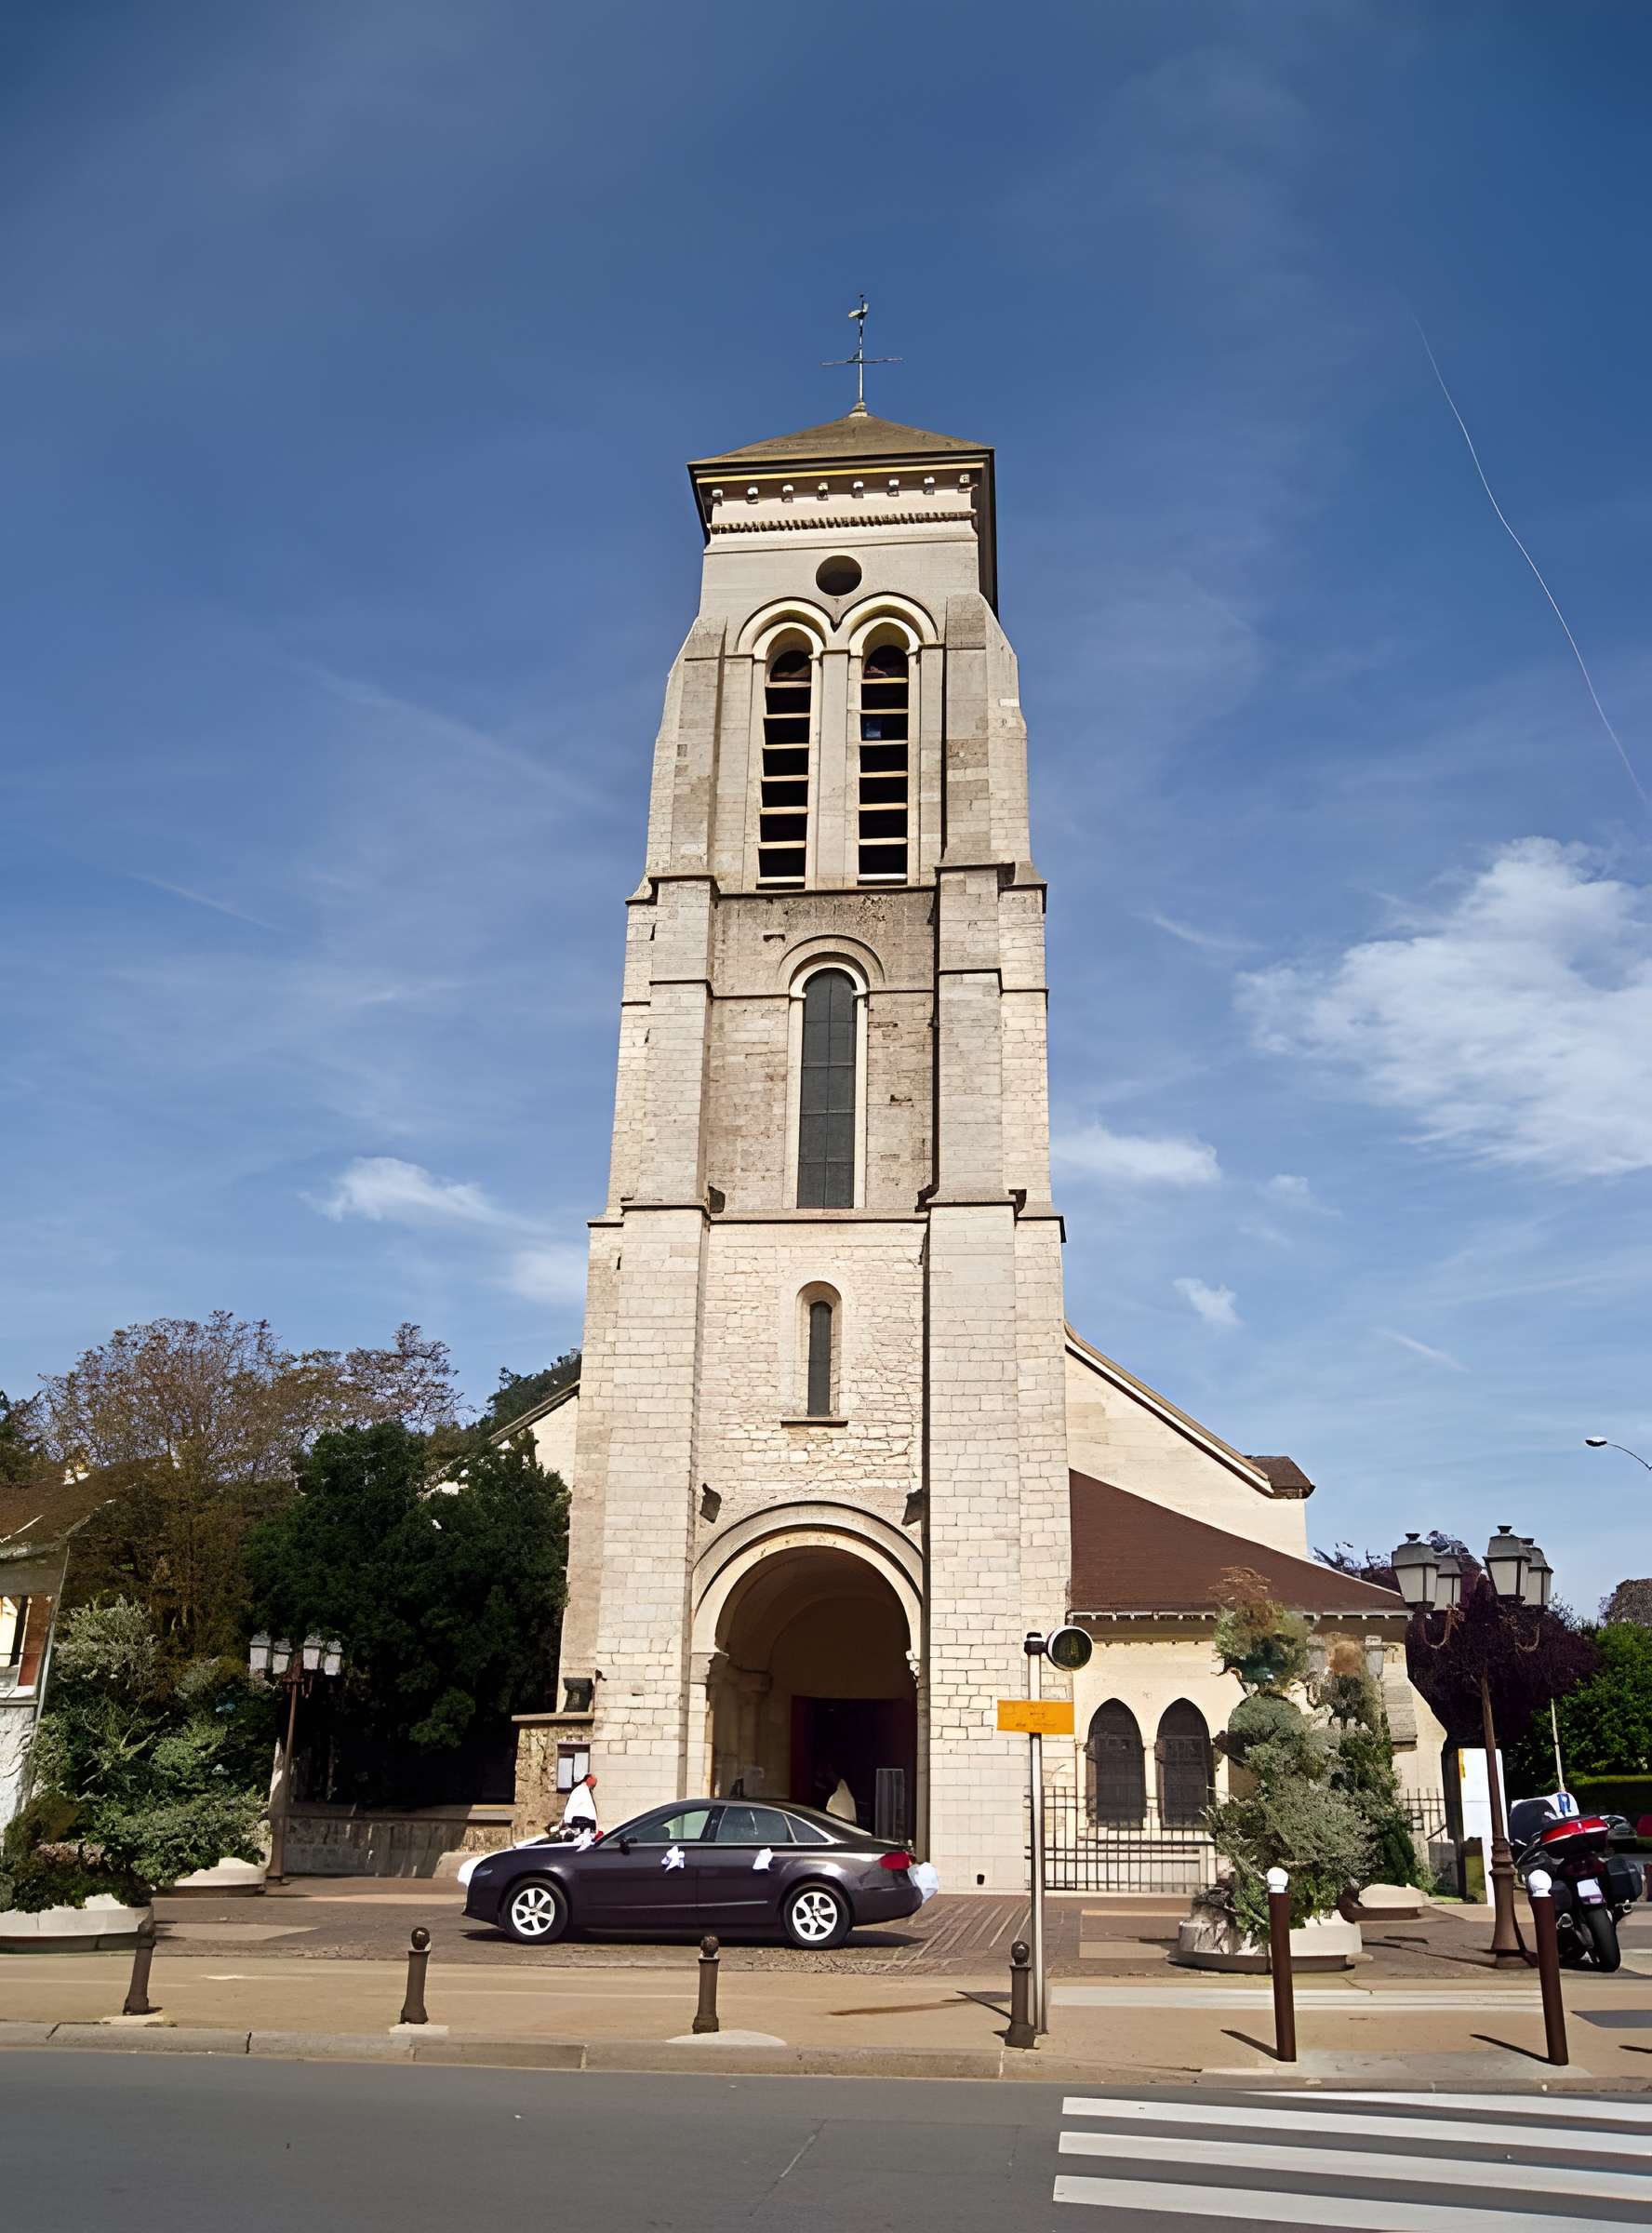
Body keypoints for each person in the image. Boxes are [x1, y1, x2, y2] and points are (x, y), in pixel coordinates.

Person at [559, 1772, 599, 1838]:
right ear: (589, 1779)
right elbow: (570, 1808)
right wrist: (567, 1822)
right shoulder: (579, 1791)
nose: (593, 1788)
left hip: (588, 1829)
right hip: (580, 1829)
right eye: (593, 1785)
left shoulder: (586, 1791)